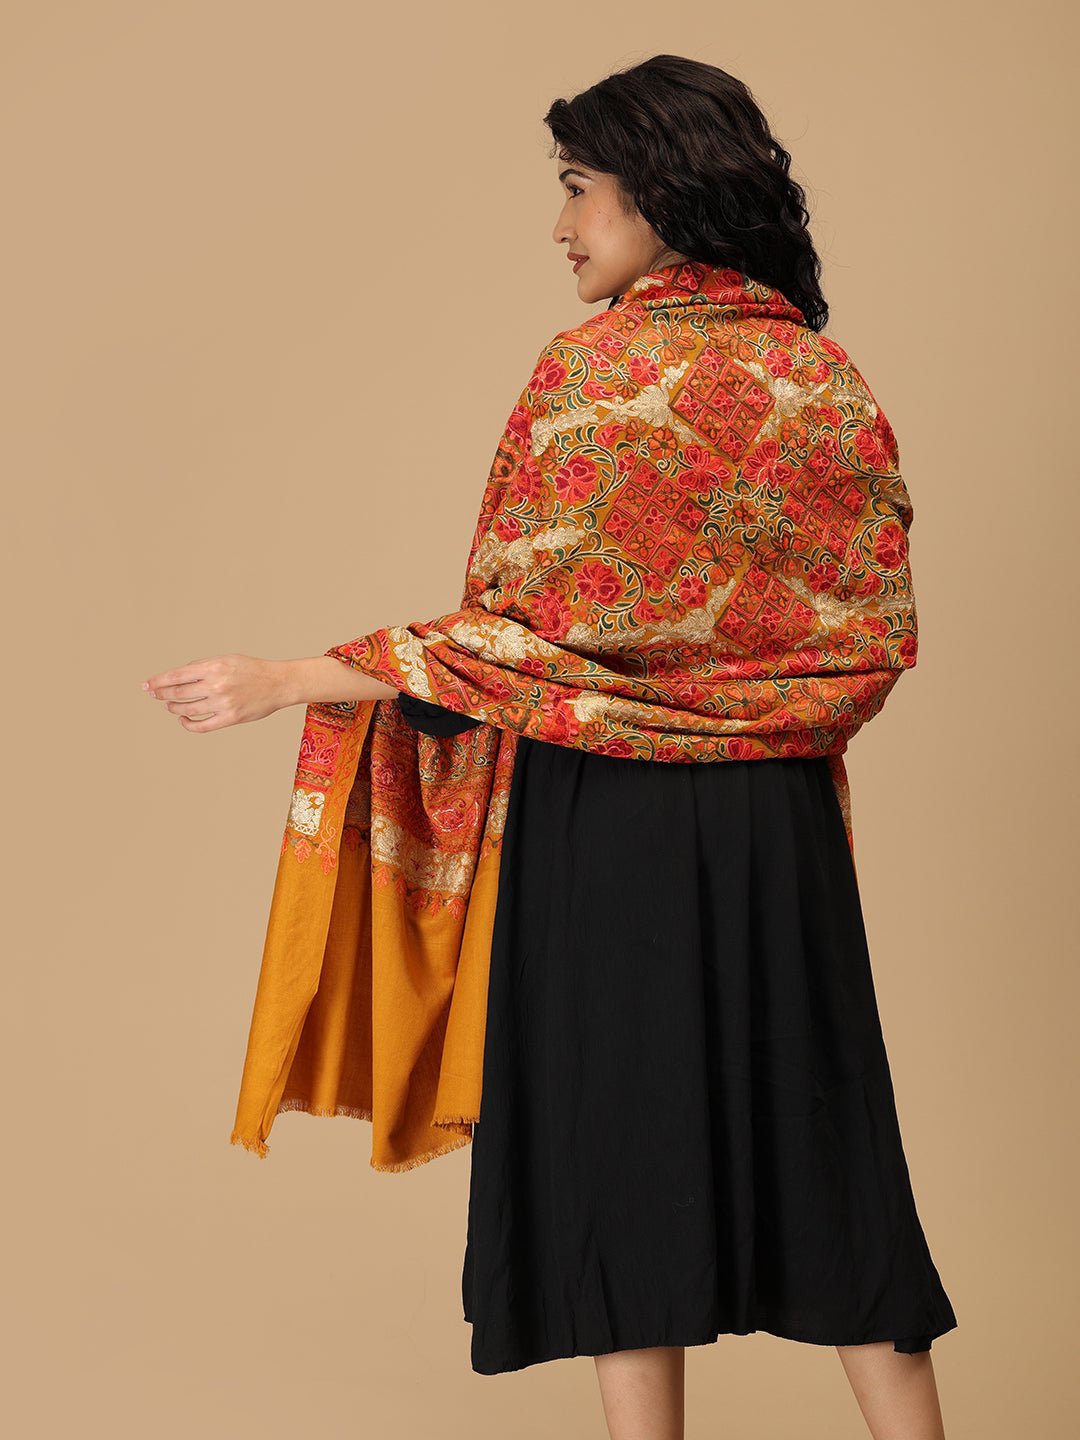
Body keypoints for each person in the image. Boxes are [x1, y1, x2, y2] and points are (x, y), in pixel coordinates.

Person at [143, 52, 956, 1440]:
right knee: (829, 1151)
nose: (564, 225)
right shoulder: (824, 381)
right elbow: (868, 633)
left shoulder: (592, 374)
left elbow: (518, 640)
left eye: (581, 189)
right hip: (776, 828)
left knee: (612, 1154)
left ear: (661, 191)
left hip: (605, 821)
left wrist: (291, 679)